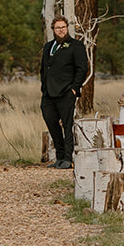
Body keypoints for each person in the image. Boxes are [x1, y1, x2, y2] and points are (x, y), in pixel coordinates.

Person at [40, 16, 89, 170]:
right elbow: (44, 68)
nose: (61, 30)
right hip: (49, 93)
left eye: (63, 27)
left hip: (66, 92)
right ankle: (59, 157)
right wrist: (44, 88)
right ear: (53, 29)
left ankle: (68, 158)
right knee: (51, 123)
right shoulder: (48, 46)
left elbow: (82, 68)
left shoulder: (76, 45)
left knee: (67, 126)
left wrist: (74, 88)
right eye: (57, 27)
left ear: (67, 28)